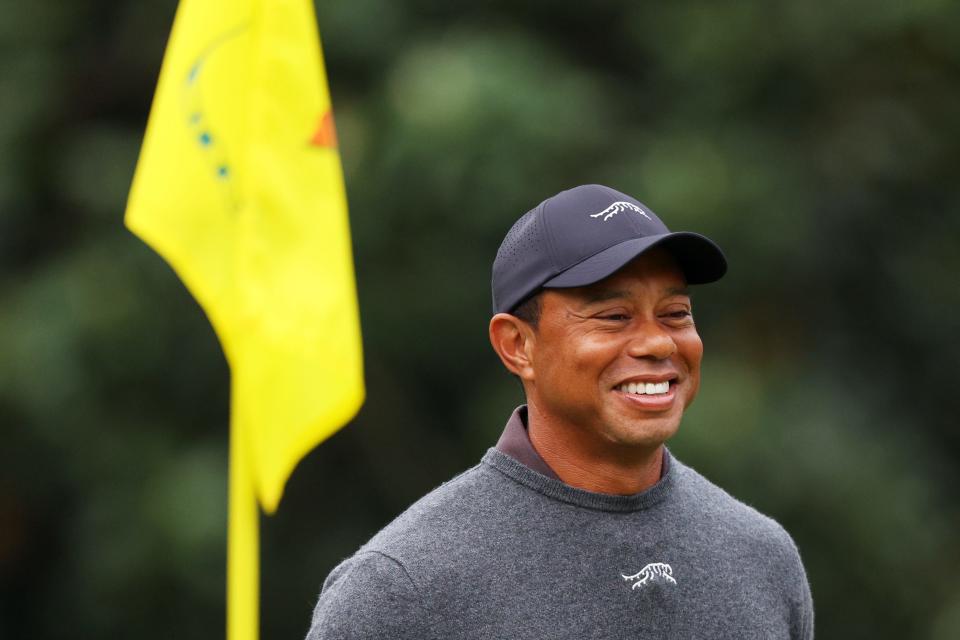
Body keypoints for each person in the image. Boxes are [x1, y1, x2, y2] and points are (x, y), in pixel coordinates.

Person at [305, 184, 814, 639]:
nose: (659, 341)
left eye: (675, 314)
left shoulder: (762, 557)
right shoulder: (401, 588)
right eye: (614, 316)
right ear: (517, 346)